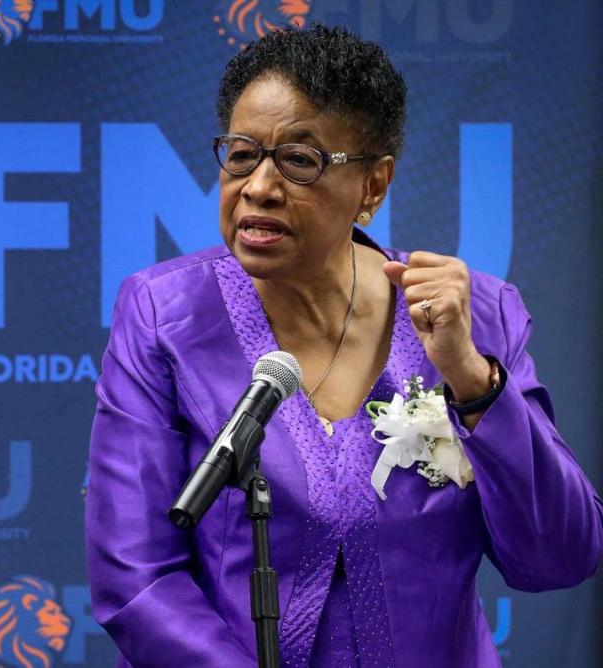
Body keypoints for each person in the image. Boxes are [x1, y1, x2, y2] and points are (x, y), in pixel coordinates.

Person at [84, 24, 603, 668]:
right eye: (242, 153)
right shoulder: (165, 316)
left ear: (373, 185)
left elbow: (559, 556)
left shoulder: (475, 317)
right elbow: (136, 579)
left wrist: (470, 378)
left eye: (300, 160)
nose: (259, 187)